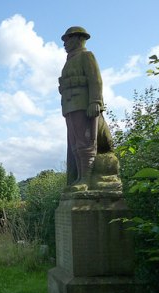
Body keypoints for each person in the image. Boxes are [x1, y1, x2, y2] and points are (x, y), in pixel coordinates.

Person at [59, 26, 103, 191]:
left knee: (85, 141)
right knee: (75, 143)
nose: (65, 43)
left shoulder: (86, 56)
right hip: (70, 105)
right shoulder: (69, 60)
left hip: (83, 105)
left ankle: (86, 179)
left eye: (68, 39)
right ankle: (79, 177)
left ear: (78, 39)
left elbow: (95, 80)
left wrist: (95, 102)